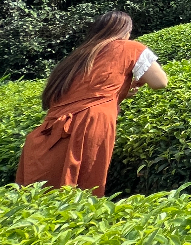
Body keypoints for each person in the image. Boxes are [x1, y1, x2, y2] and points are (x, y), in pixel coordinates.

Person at [16, 11, 167, 196]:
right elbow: (160, 82)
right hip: (90, 122)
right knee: (86, 186)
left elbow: (85, 90)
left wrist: (120, 91)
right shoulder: (130, 47)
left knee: (45, 198)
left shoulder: (79, 55)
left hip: (50, 131)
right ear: (126, 31)